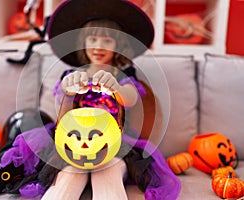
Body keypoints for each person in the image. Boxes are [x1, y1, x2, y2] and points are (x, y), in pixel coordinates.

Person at [40, 0, 181, 199]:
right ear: (83, 42)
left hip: (116, 144)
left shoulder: (125, 76)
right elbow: (62, 117)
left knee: (108, 172)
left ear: (118, 45)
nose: (99, 46)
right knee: (68, 175)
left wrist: (115, 87)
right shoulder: (71, 75)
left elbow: (131, 98)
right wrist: (67, 90)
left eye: (107, 40)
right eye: (93, 39)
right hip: (75, 142)